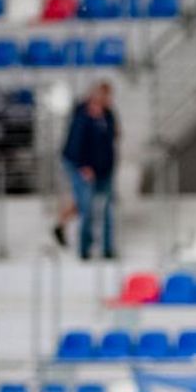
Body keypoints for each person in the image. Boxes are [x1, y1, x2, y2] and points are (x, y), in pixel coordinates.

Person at [58, 81, 118, 260]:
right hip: (84, 170)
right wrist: (84, 167)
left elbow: (110, 142)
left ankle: (107, 249)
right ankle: (85, 249)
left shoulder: (108, 116)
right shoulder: (82, 118)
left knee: (107, 210)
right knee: (87, 209)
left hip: (104, 171)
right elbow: (75, 147)